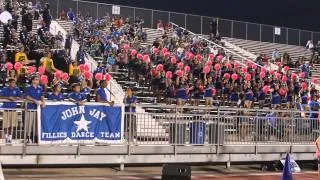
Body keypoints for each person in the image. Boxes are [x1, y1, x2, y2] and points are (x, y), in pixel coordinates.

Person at [25, 75, 45, 143]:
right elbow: (27, 96)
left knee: (36, 124)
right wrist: (35, 101)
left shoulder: (40, 88)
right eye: (36, 79)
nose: (37, 81)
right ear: (32, 80)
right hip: (30, 108)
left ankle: (35, 137)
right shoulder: (28, 88)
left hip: (37, 109)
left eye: (38, 79)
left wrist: (43, 102)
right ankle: (28, 137)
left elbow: (42, 96)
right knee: (29, 123)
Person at [0, 78, 22, 143]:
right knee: (5, 125)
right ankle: (6, 137)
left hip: (13, 109)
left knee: (12, 125)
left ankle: (10, 138)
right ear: (9, 83)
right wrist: (8, 97)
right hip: (6, 109)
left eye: (14, 83)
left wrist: (16, 98)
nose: (13, 84)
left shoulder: (17, 89)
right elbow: (0, 96)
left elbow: (21, 97)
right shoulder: (4, 89)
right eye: (12, 82)